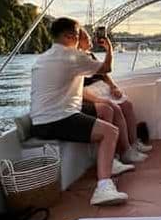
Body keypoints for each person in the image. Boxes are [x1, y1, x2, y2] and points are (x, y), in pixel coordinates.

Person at [29, 17, 129, 206]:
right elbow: (106, 68)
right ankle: (103, 188)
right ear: (70, 36)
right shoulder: (71, 56)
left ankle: (109, 162)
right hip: (59, 119)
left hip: (40, 122)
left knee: (105, 111)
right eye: (79, 34)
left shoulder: (43, 58)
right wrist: (109, 49)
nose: (81, 36)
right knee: (110, 132)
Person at [76, 28, 151, 162]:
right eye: (86, 38)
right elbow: (78, 87)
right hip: (90, 92)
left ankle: (134, 144)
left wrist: (113, 86)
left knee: (127, 105)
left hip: (101, 88)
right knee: (115, 109)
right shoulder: (76, 59)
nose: (90, 40)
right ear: (78, 41)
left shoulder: (89, 55)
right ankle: (125, 151)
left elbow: (104, 74)